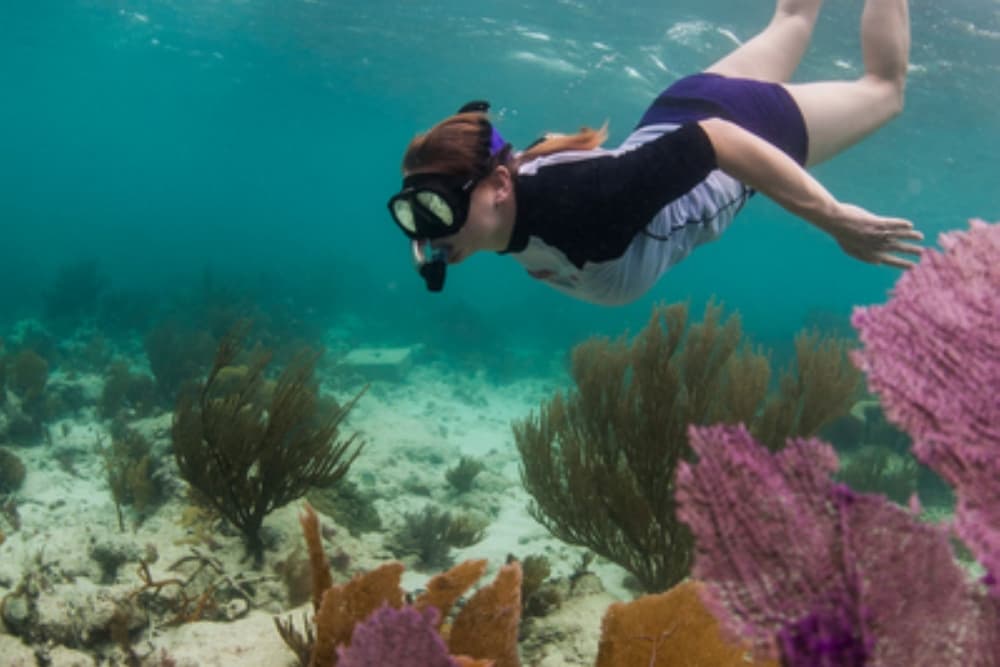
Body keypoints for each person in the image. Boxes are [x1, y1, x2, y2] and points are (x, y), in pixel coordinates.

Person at [387, 0, 923, 304]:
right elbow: (518, 155)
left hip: (736, 127)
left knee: (885, 90)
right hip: (678, 107)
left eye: (436, 209)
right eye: (412, 214)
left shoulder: (592, 204)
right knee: (792, 19)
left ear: (500, 186)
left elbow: (719, 140)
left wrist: (835, 220)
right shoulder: (509, 193)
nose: (425, 234)